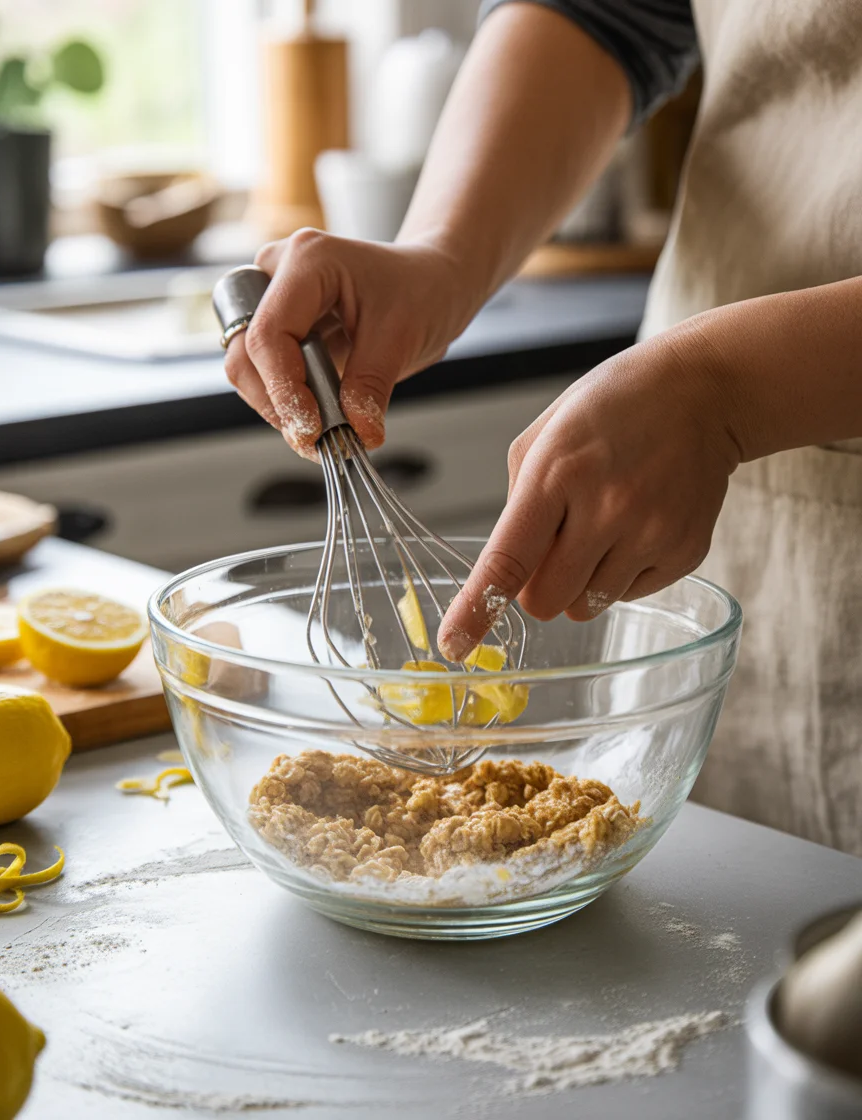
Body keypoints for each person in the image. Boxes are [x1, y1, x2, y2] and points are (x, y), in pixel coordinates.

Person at [224, 0, 862, 856]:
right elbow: (606, 14)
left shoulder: (713, 394)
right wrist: (442, 256)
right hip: (723, 487)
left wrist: (730, 389)